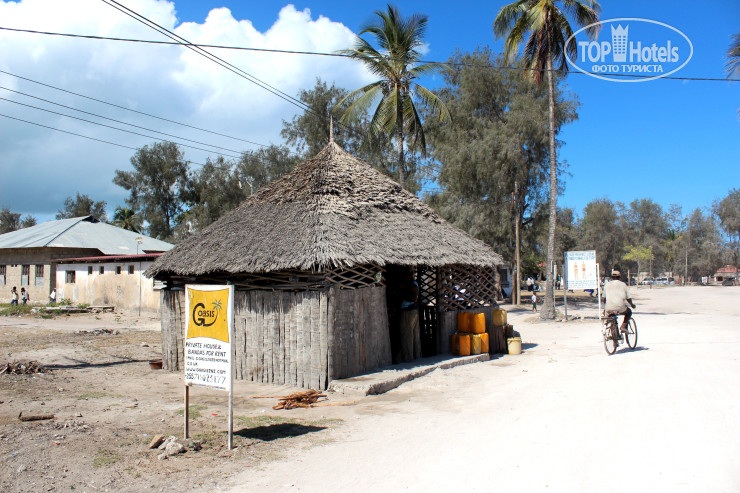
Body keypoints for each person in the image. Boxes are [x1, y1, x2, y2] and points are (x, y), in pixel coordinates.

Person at [398, 269, 420, 363]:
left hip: (409, 311)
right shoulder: (412, 284)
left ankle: (408, 358)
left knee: (407, 335)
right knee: (406, 334)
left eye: (405, 277)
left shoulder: (412, 285)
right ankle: (405, 356)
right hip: (410, 310)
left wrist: (401, 296)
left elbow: (414, 298)